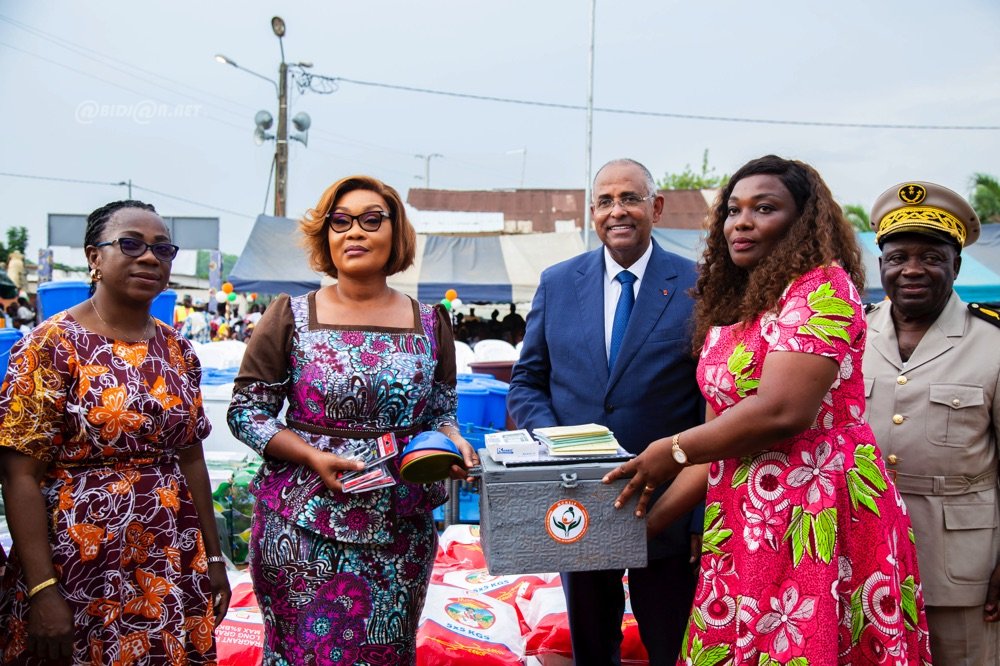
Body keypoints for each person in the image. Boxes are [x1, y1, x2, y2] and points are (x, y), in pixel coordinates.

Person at [604, 155, 933, 664]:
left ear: (802, 220)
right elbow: (720, 442)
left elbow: (782, 411)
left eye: (764, 208)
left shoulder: (822, 287)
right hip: (746, 522)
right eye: (733, 209)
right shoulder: (737, 307)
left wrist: (669, 450)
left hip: (815, 511)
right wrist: (639, 532)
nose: (742, 221)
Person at [227, 175, 477, 665]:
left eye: (370, 220)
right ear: (326, 236)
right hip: (300, 522)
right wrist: (312, 455)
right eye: (340, 222)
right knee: (301, 653)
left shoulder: (431, 322)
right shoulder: (289, 316)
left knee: (386, 652)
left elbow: (441, 412)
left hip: (399, 529)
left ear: (395, 232)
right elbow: (246, 413)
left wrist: (451, 441)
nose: (354, 232)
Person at [0, 199, 230, 664]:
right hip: (77, 558)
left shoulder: (178, 348)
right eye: (131, 244)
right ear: (94, 257)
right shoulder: (49, 345)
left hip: (169, 553)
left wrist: (213, 558)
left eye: (163, 249)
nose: (150, 257)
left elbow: (191, 457)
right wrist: (44, 590)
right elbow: (18, 474)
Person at [508, 158, 703, 665]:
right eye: (605, 201)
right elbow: (528, 381)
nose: (618, 211)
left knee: (670, 647)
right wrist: (558, 445)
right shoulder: (557, 282)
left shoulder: (697, 286)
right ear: (591, 212)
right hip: (577, 503)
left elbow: (713, 402)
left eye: (630, 199)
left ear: (655, 207)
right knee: (592, 649)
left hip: (667, 508)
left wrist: (702, 511)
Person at [863, 180, 1000, 664]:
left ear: (956, 265)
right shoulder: (851, 335)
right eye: (898, 257)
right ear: (881, 266)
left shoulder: (993, 342)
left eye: (931, 256)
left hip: (962, 565)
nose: (912, 269)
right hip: (866, 552)